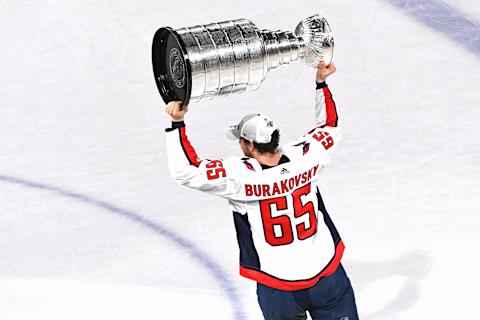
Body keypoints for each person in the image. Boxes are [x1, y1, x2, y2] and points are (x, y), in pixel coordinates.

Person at [164, 62, 359, 320]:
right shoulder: (307, 155)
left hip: (279, 286)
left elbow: (186, 170)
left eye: (241, 140)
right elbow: (329, 127)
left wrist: (177, 123)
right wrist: (321, 82)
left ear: (250, 144)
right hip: (327, 274)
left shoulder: (239, 177)